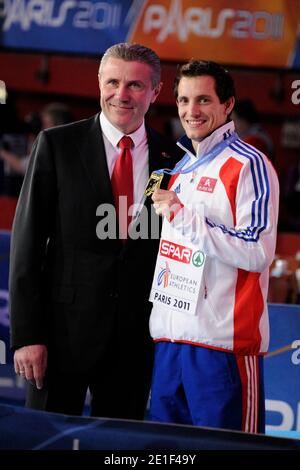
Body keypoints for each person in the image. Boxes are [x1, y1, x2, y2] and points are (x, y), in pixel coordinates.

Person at [9, 43, 183, 419]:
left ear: (155, 91)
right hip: (59, 339)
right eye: (113, 82)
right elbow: (26, 244)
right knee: (46, 442)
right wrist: (27, 336)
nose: (122, 95)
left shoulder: (176, 160)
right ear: (99, 83)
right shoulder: (57, 145)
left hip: (135, 343)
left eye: (135, 85)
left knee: (120, 450)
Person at [149, 60, 279, 432]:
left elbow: (257, 251)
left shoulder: (250, 164)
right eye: (185, 100)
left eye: (204, 100)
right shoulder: (175, 171)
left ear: (227, 105)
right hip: (169, 341)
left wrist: (186, 217)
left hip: (222, 346)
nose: (192, 111)